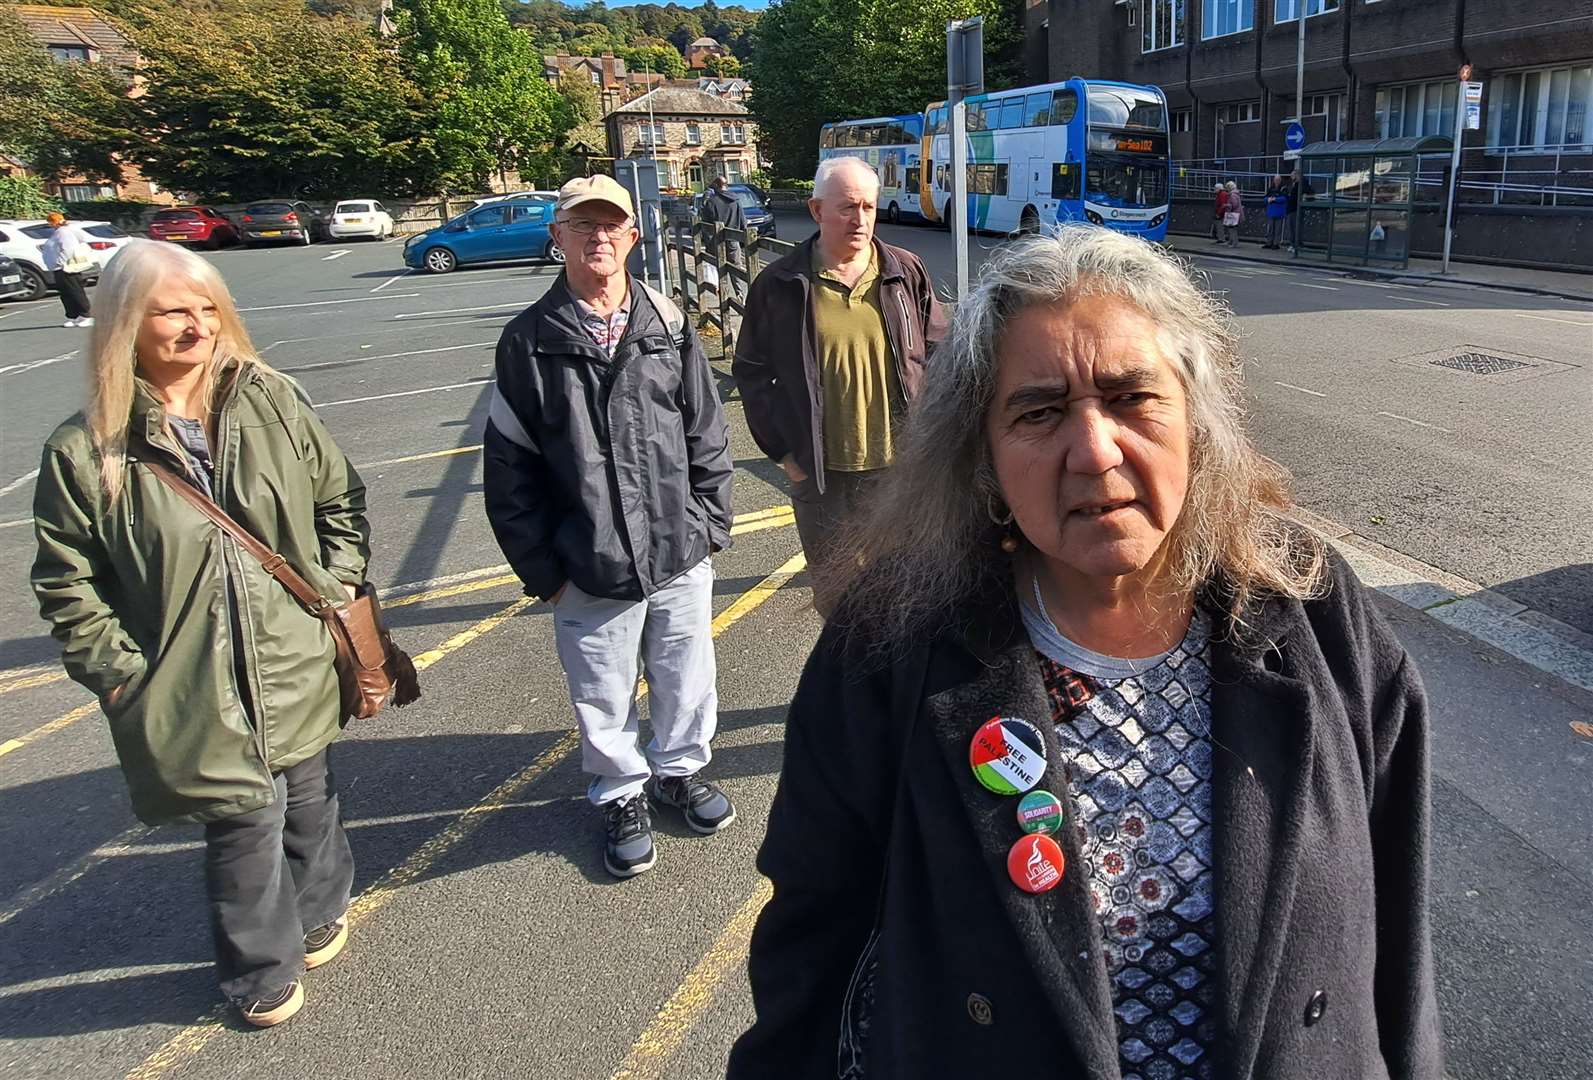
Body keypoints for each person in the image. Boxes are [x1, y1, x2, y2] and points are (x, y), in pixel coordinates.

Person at [728, 228, 1441, 1079]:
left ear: (1197, 421)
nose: (1094, 451)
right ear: (983, 456)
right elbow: (811, 941)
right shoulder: (887, 643)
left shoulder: (1315, 611)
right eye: (1037, 411)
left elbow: (1397, 930)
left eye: (1131, 397)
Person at [32, 240, 369, 1028]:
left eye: (207, 307)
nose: (196, 327)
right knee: (243, 820)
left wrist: (337, 584)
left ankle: (322, 909)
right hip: (190, 679)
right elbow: (66, 583)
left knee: (310, 796)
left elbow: (338, 498)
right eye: (173, 311)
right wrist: (122, 674)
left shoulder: (271, 401)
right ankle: (260, 968)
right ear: (124, 324)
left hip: (294, 649)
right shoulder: (87, 449)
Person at [483, 175, 736, 879]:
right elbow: (509, 473)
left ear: (632, 235)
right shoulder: (527, 342)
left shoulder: (667, 321)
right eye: (582, 225)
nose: (598, 237)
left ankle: (679, 772)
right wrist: (545, 572)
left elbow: (704, 431)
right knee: (601, 690)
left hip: (677, 549)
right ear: (556, 235)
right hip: (585, 559)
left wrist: (710, 524)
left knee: (686, 676)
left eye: (610, 225)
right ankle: (621, 793)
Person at [732, 154, 946, 616]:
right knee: (838, 601)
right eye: (848, 207)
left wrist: (936, 440)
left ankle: (902, 688)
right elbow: (751, 371)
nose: (861, 219)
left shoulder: (903, 272)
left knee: (909, 592)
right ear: (816, 211)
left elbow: (940, 352)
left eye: (868, 207)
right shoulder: (781, 284)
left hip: (901, 469)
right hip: (823, 474)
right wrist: (785, 454)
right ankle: (847, 688)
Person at [40, 211, 93, 327]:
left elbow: (68, 249)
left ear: (54, 222)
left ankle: (86, 315)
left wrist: (60, 262)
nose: (49, 225)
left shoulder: (64, 232)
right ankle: (73, 316)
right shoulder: (59, 232)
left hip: (66, 267)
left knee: (75, 291)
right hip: (58, 268)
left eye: (50, 222)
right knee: (65, 293)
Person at [698, 174, 747, 299]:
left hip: (717, 241)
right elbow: (743, 222)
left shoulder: (711, 202)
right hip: (733, 241)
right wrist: (743, 239)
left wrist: (707, 242)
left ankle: (722, 296)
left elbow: (706, 225)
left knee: (719, 268)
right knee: (736, 269)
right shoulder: (735, 200)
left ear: (716, 186)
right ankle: (739, 294)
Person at [1264, 175, 1288, 249]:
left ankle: (1276, 243)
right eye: (1275, 180)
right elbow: (1265, 198)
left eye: (1278, 180)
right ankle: (1269, 242)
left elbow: (1285, 198)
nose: (1276, 181)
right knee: (1270, 228)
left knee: (1278, 229)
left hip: (1279, 211)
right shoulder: (1270, 188)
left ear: (1280, 180)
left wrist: (1274, 199)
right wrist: (1268, 199)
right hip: (1271, 211)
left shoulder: (1283, 188)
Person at [1221, 180, 1243, 247]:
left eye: (1227, 187)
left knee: (1232, 229)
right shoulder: (1235, 193)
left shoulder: (1232, 195)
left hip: (1234, 214)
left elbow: (1234, 205)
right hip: (1236, 213)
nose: (1226, 189)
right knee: (1232, 229)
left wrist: (1226, 205)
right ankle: (1232, 241)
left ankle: (1234, 243)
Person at [1286, 168, 1303, 254]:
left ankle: (1295, 245)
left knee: (1294, 228)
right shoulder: (1292, 184)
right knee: (1291, 228)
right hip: (1290, 209)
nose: (1291, 176)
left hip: (1295, 209)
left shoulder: (1298, 185)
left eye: (1292, 175)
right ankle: (1292, 244)